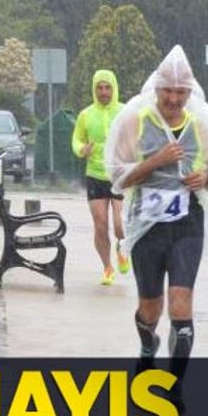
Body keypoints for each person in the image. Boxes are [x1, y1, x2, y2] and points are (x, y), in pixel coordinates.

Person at [105, 46, 208, 397]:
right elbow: (117, 178)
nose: (174, 99)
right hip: (147, 224)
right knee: (150, 308)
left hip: (187, 223)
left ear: (190, 92)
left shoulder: (202, 125)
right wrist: (155, 161)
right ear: (156, 89)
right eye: (168, 92)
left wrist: (205, 179)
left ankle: (173, 386)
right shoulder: (134, 121)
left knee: (180, 302)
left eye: (181, 92)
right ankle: (148, 347)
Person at [72, 69, 127, 285]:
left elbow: (136, 136)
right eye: (100, 88)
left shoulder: (124, 112)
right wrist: (81, 149)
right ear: (94, 90)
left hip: (119, 175)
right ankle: (107, 267)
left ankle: (122, 248)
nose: (104, 92)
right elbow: (76, 139)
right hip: (95, 174)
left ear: (114, 89)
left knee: (119, 224)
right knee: (100, 225)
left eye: (107, 88)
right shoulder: (86, 115)